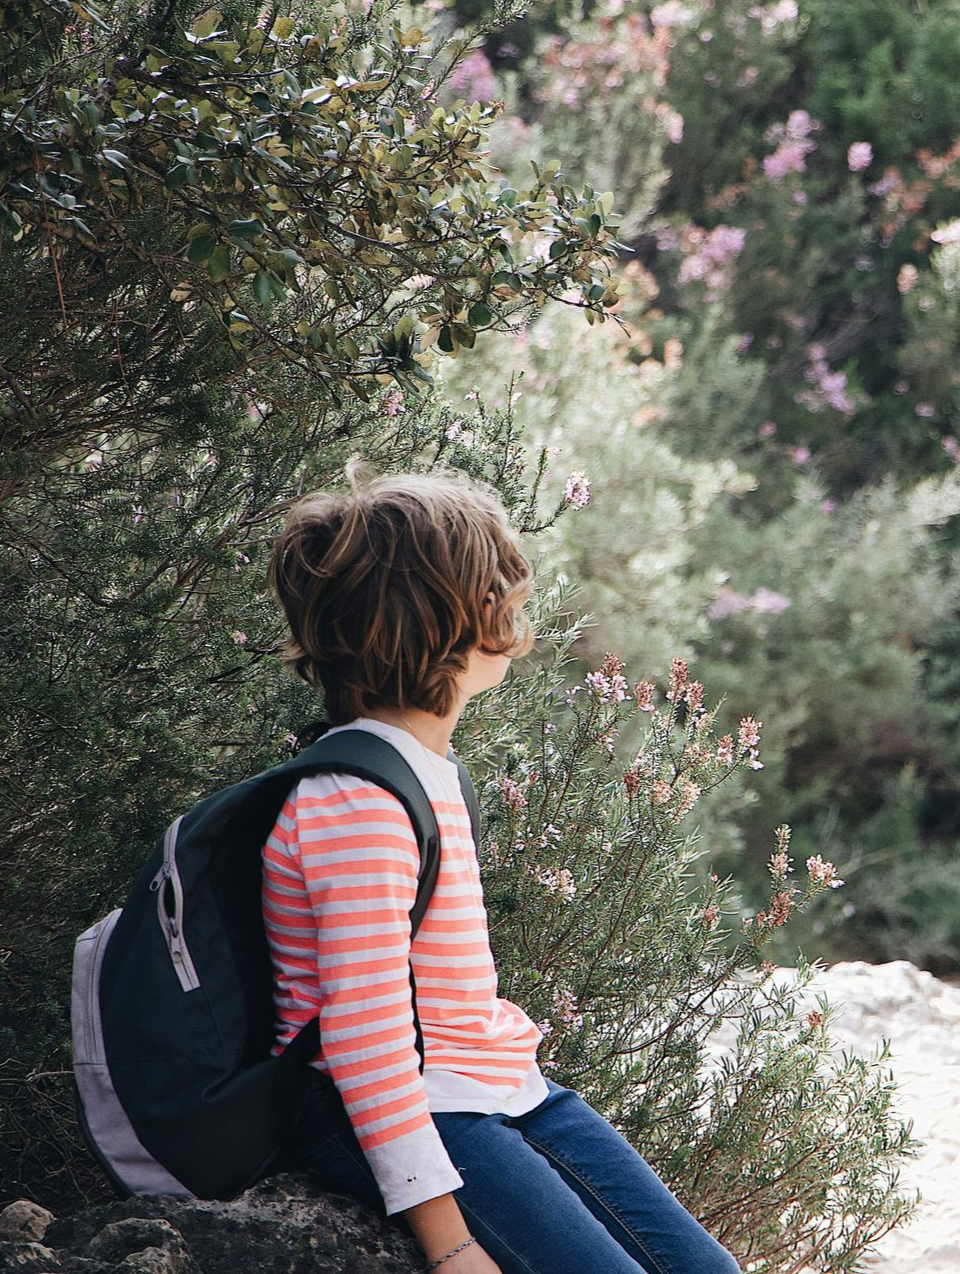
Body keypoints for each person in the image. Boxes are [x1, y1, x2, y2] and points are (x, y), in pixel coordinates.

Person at [262, 467, 742, 1274]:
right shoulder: (357, 805)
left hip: (498, 1085)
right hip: (423, 1112)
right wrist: (449, 1244)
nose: (517, 610)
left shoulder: (426, 772)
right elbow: (365, 1044)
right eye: (502, 593)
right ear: (451, 621)